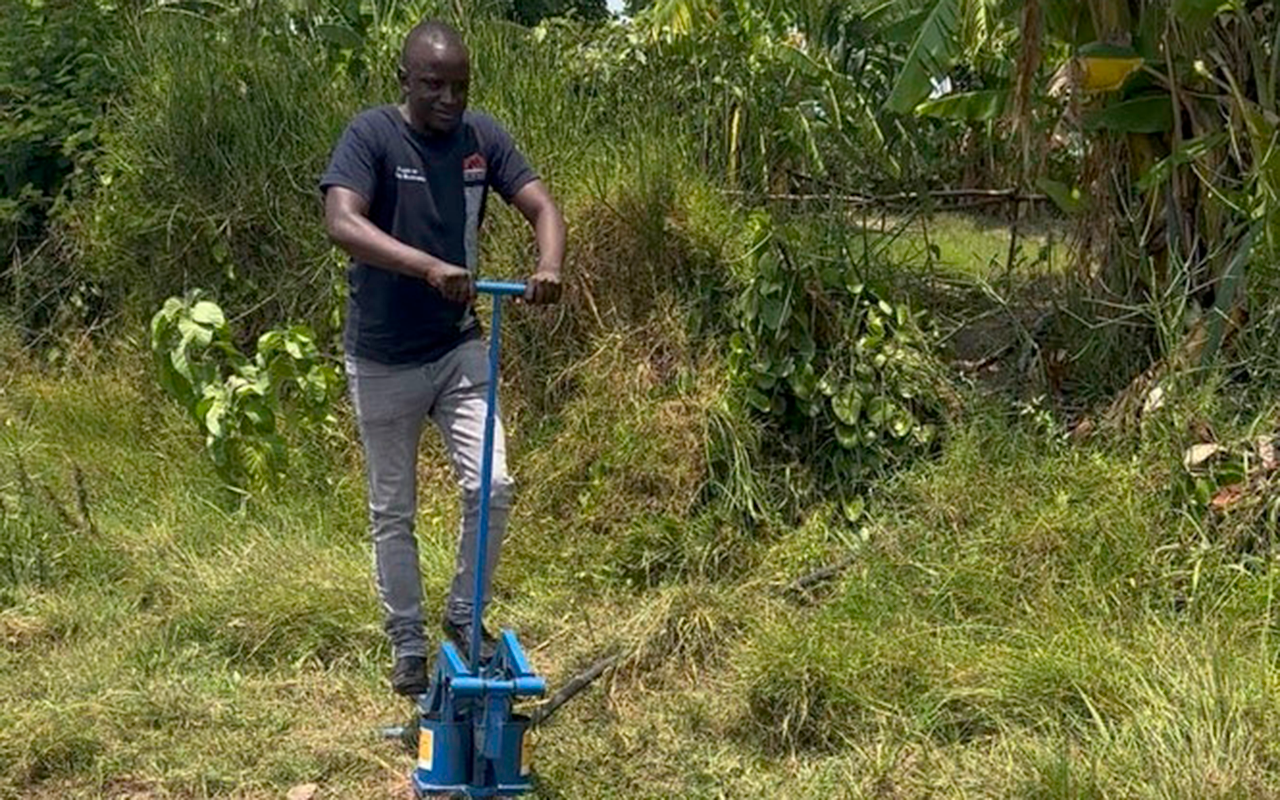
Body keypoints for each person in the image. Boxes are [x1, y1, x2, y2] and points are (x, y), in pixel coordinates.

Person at [320, 19, 566, 696]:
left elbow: (542, 204)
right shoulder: (371, 135)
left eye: (460, 86)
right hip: (384, 356)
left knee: (492, 485)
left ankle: (463, 616)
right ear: (405, 81)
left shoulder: (482, 140)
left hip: (460, 343)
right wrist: (428, 266)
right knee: (392, 511)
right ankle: (407, 643)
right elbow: (342, 221)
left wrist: (547, 265)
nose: (450, 100)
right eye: (435, 86)